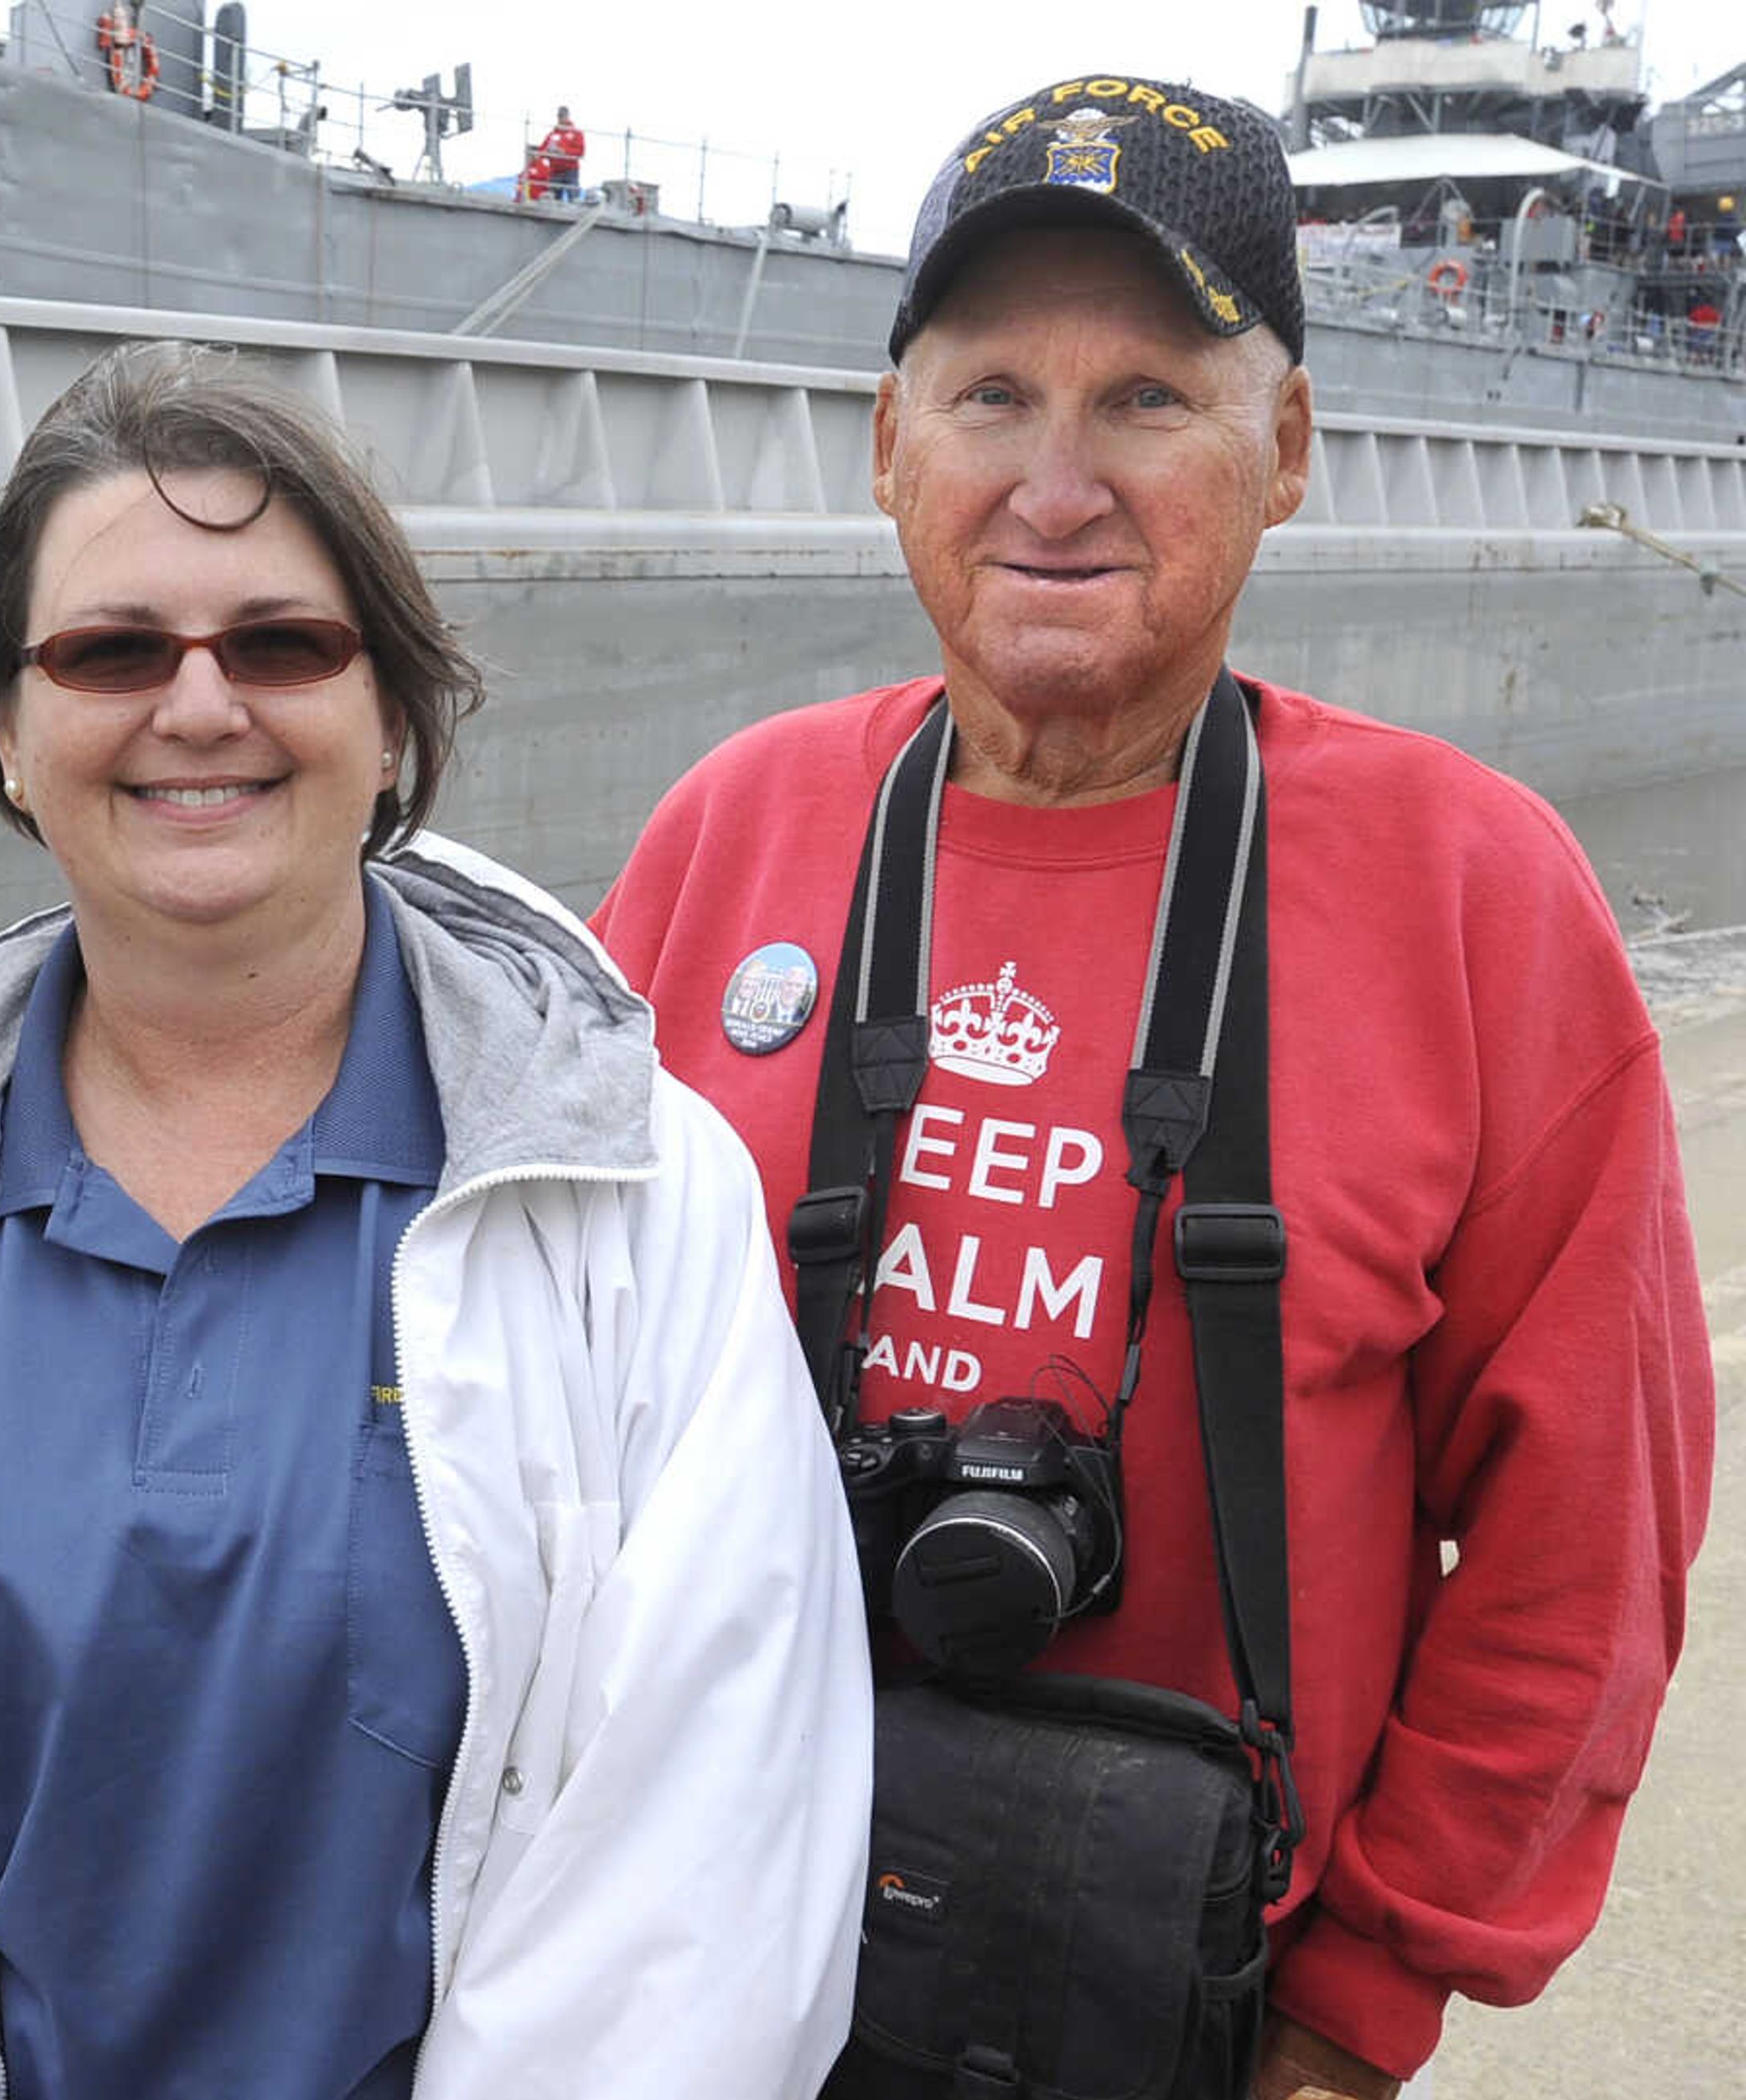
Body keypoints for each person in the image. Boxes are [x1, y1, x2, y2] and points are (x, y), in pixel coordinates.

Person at [592, 76, 1714, 2100]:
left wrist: (1356, 2010)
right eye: (990, 393)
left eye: (1145, 400)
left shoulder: (1470, 894)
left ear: (1280, 449)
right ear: (883, 446)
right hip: (688, 1958)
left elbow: (1583, 1539)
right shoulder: (729, 833)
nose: (1053, 482)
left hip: (1187, 1999)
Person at [0, 340, 869, 2098]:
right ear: (7, 734)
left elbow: (705, 1840)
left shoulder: (638, 1191)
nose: (200, 706)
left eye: (281, 643)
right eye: (112, 651)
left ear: (393, 715)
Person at [542, 104, 587, 202]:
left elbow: (580, 151)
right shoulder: (552, 134)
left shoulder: (576, 133)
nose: (561, 118)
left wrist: (564, 151)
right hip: (555, 172)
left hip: (570, 171)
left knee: (574, 199)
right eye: (559, 116)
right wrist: (548, 151)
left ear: (568, 116)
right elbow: (543, 149)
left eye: (563, 116)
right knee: (553, 201)